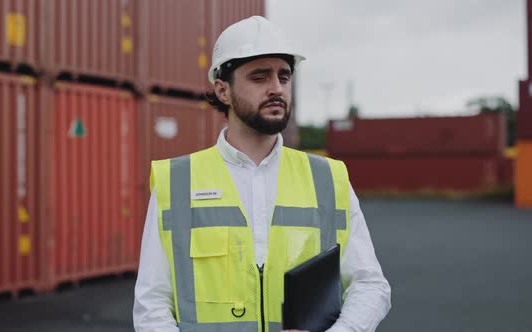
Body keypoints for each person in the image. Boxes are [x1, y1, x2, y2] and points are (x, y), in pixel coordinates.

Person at [133, 16, 391, 332]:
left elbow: (369, 285)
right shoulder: (176, 181)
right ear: (222, 90)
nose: (276, 88)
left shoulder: (329, 179)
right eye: (259, 77)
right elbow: (152, 303)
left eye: (284, 76)